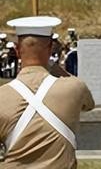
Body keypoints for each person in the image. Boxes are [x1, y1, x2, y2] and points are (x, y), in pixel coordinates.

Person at [0, 16, 94, 168]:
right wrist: (56, 68)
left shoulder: (2, 95)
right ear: (51, 48)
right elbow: (89, 104)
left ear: (17, 50)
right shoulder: (74, 87)